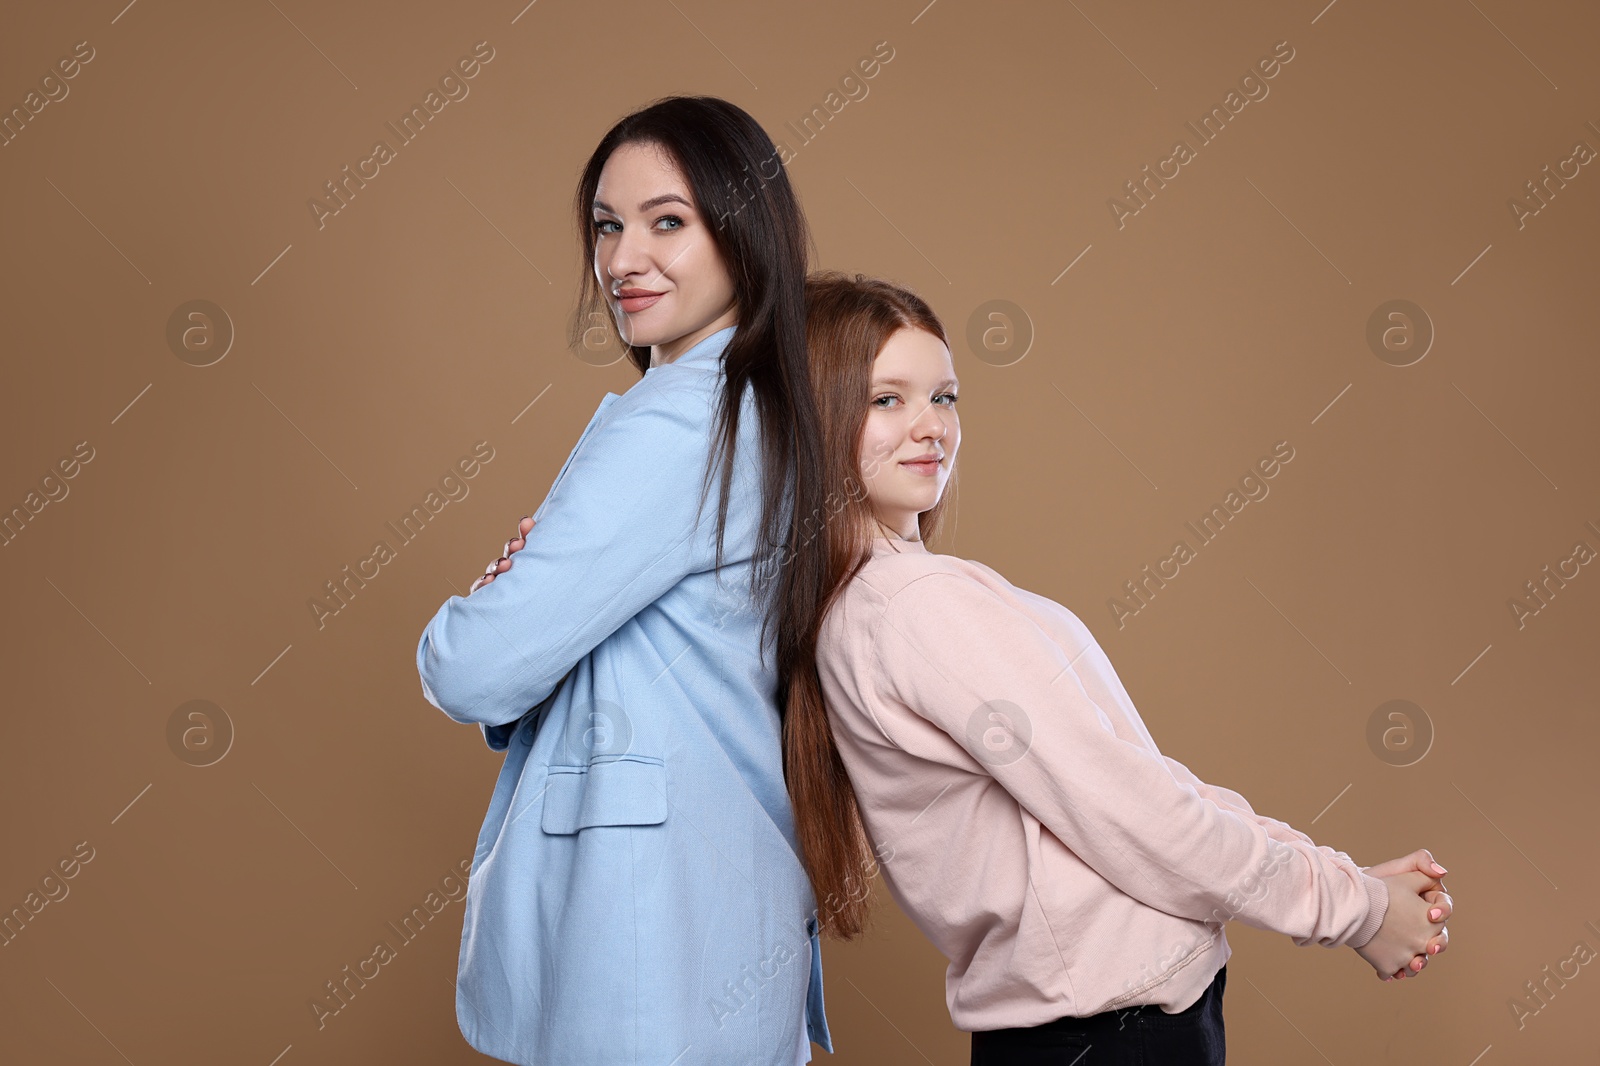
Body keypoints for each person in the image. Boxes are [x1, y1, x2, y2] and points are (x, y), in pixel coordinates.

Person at [776, 271, 1455, 1064]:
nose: (931, 427)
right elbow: (1132, 810)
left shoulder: (882, 603)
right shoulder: (914, 609)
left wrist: (1343, 880)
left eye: (946, 397)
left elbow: (1137, 783)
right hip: (1109, 1034)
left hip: (1098, 1027)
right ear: (817, 414)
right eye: (886, 399)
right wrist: (1356, 910)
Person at [415, 97, 833, 1066]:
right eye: (607, 225)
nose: (622, 258)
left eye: (667, 221)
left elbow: (473, 666)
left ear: (742, 229)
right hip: (727, 922)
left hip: (643, 943)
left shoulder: (681, 422)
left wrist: (479, 610)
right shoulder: (772, 409)